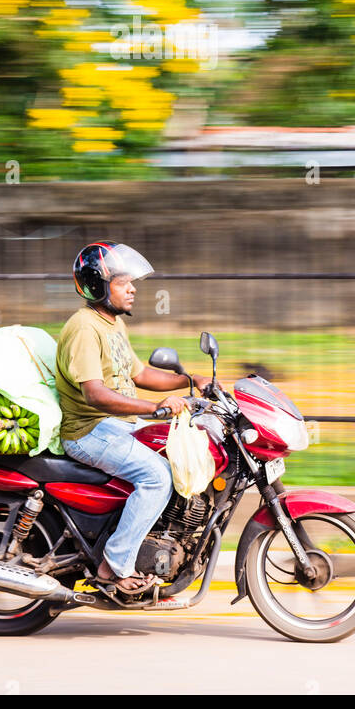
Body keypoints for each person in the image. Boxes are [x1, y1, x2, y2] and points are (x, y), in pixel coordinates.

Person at [55, 241, 210, 595]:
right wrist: (154, 408)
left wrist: (192, 380)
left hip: (115, 425)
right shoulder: (83, 328)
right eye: (124, 282)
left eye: (131, 281)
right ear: (97, 285)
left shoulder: (110, 324)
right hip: (88, 431)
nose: (133, 288)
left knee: (178, 449)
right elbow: (95, 394)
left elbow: (139, 374)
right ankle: (115, 566)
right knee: (156, 477)